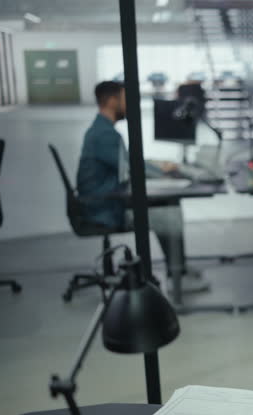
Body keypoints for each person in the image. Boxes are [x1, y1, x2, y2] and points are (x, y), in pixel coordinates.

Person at [77, 81, 208, 292]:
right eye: (126, 99)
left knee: (168, 203)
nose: (131, 105)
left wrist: (157, 164)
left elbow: (127, 162)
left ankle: (179, 268)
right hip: (105, 207)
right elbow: (132, 168)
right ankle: (178, 278)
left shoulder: (102, 129)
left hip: (108, 198)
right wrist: (164, 171)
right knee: (168, 214)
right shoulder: (105, 135)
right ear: (112, 101)